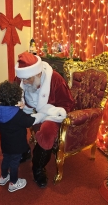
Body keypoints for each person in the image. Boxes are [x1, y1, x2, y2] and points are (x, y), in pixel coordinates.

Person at [14, 51, 74, 188]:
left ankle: (38, 168)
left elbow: (67, 104)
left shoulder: (56, 79)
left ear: (38, 73)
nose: (24, 82)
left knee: (47, 134)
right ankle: (24, 150)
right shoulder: (21, 77)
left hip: (49, 113)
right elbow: (14, 95)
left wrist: (49, 113)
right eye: (22, 79)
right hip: (27, 110)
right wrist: (17, 103)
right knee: (8, 121)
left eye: (28, 79)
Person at [0, 80, 45, 192]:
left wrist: (17, 107)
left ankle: (3, 177)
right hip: (17, 144)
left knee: (6, 159)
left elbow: (10, 113)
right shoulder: (17, 114)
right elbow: (29, 122)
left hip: (5, 143)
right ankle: (13, 183)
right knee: (14, 163)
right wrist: (40, 115)